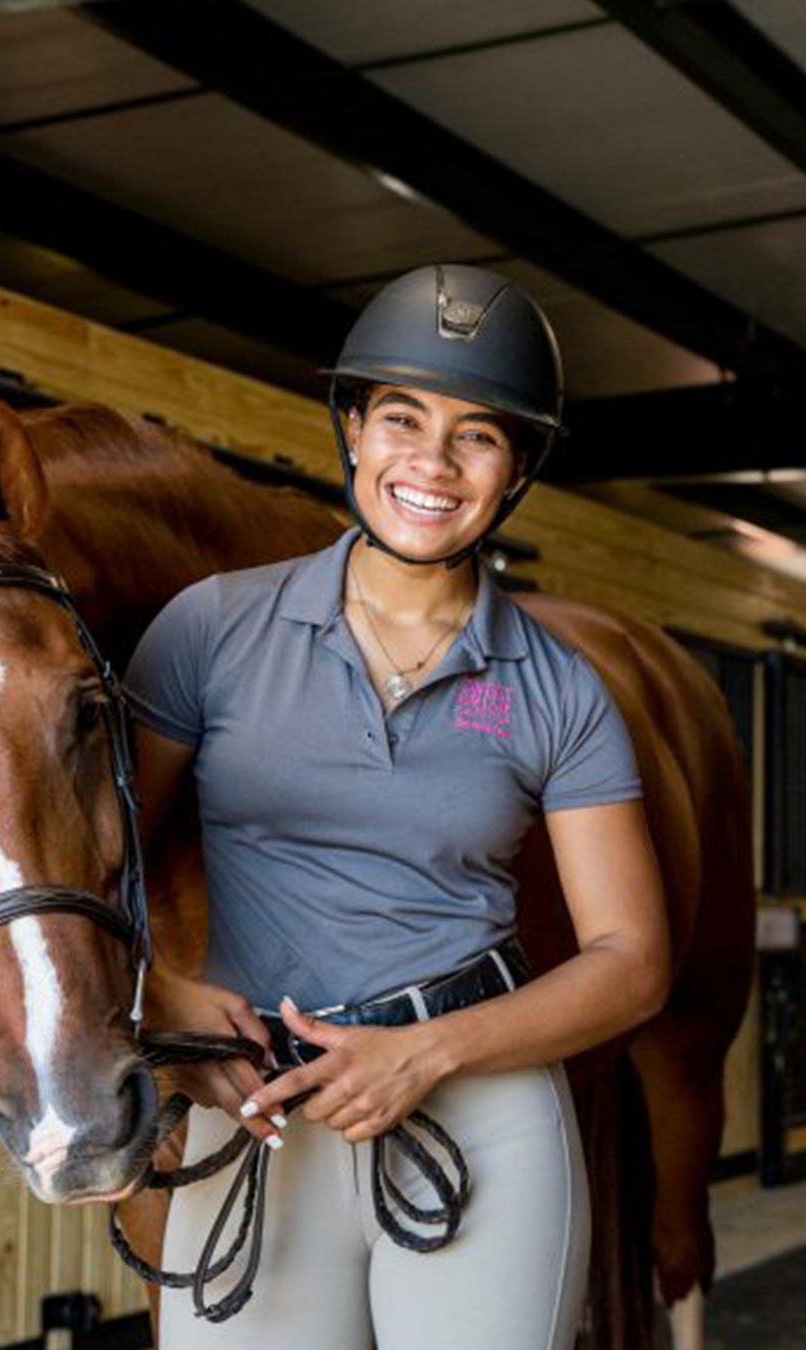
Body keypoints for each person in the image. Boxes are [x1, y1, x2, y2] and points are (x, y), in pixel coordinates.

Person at [123, 264, 671, 1349]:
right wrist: (166, 1006)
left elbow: (632, 957)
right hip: (261, 1108)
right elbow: (99, 874)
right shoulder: (210, 630)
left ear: (515, 471)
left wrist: (427, 1055)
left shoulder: (558, 688)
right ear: (355, 432)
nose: (431, 461)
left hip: (478, 1110)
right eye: (403, 419)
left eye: (477, 436)